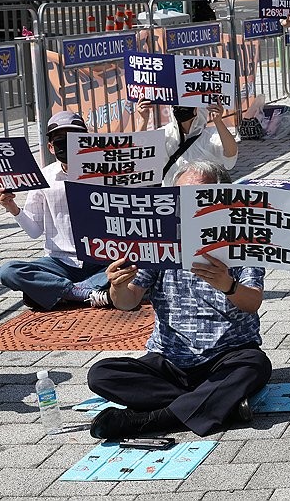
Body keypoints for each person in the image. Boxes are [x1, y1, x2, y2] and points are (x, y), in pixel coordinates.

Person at [87, 161, 272, 439]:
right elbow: (128, 302)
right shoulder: (160, 241)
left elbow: (252, 302)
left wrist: (228, 285)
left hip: (228, 354)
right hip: (170, 359)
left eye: (201, 197)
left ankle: (152, 420)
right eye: (183, 198)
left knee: (255, 366)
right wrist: (117, 286)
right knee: (102, 374)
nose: (192, 207)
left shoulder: (244, 241)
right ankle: (216, 404)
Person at [0, 111, 111, 310]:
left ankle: (63, 292)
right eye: (60, 140)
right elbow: (34, 231)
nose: (68, 144)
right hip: (60, 262)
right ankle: (81, 292)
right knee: (8, 271)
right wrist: (11, 207)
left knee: (140, 263)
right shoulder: (44, 177)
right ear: (51, 146)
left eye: (75, 138)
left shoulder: (107, 171)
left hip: (101, 260)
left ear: (87, 139)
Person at [137, 101, 238, 187]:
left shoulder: (211, 135)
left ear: (197, 109)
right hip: (174, 195)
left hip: (204, 195)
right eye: (177, 106)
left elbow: (231, 155)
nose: (181, 109)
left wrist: (218, 121)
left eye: (187, 105)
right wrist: (143, 120)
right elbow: (137, 157)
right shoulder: (165, 134)